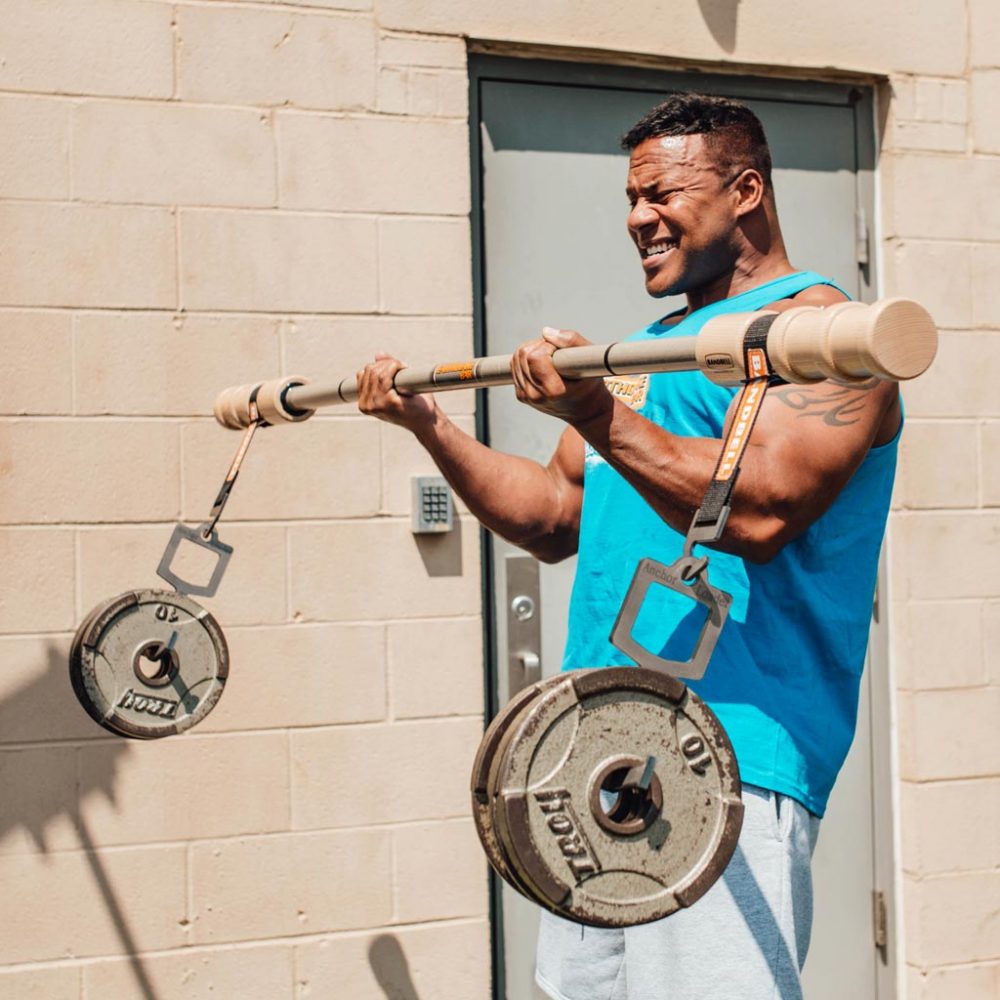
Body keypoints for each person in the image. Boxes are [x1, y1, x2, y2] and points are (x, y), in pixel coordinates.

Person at [356, 93, 901, 1000]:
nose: (638, 218)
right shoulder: (651, 349)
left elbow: (763, 513)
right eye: (630, 197)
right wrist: (430, 426)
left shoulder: (831, 339)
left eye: (662, 193)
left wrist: (598, 411)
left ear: (747, 190)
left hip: (727, 756)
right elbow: (552, 515)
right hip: (598, 748)